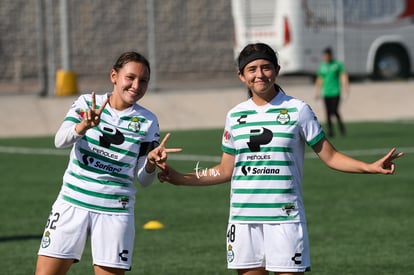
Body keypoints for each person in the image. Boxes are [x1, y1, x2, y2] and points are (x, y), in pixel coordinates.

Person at [157, 43, 403, 275]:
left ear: (277, 70)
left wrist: (370, 167)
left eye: (266, 67)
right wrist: (179, 178)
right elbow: (224, 170)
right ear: (241, 76)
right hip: (243, 221)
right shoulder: (235, 116)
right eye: (251, 69)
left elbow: (331, 156)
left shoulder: (298, 110)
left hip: (285, 217)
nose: (260, 74)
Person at [35, 51, 181, 275]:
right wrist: (84, 125)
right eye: (130, 77)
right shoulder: (86, 103)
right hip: (72, 203)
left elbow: (144, 180)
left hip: (115, 211)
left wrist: (151, 163)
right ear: (114, 76)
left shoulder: (148, 121)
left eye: (143, 81)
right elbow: (59, 141)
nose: (136, 85)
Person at [314, 47, 349, 137]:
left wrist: (346, 87)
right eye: (324, 56)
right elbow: (320, 79)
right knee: (328, 112)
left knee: (335, 111)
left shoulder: (337, 64)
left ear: (330, 55)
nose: (326, 58)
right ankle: (330, 131)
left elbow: (344, 75)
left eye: (327, 56)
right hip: (326, 93)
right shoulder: (322, 66)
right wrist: (317, 91)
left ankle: (341, 128)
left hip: (335, 92)